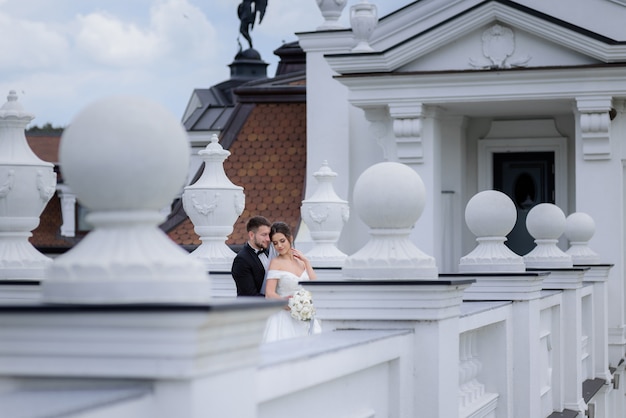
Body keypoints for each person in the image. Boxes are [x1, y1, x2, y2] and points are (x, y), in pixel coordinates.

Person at [262, 221, 322, 343]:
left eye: (282, 241)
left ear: (290, 238)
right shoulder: (276, 263)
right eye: (275, 243)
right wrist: (290, 303)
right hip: (284, 317)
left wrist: (307, 261)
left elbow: (314, 284)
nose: (279, 245)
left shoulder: (301, 261)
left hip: (305, 315)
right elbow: (269, 293)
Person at [231, 215, 271, 297]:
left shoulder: (269, 252)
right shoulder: (241, 260)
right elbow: (249, 295)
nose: (268, 239)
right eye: (264, 235)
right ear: (251, 235)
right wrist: (277, 300)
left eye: (269, 234)